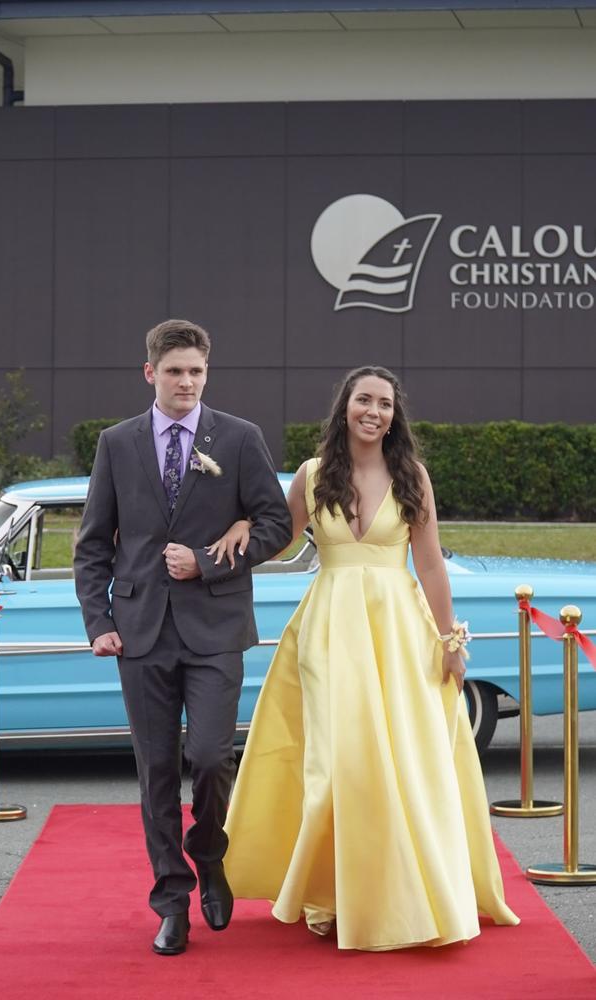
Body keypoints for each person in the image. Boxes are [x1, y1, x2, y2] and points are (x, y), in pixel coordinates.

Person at [221, 365, 520, 951]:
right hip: (327, 630)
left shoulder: (413, 476)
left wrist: (450, 643)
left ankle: (396, 894)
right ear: (345, 407)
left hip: (397, 634)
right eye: (364, 400)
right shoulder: (312, 474)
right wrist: (241, 522)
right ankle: (332, 892)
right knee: (335, 766)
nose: (373, 411)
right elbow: (280, 539)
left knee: (399, 764)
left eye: (384, 403)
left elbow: (430, 564)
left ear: (394, 414)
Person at [73, 319, 292, 956]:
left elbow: (277, 523)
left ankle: (209, 854)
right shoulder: (117, 444)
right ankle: (171, 900)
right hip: (140, 632)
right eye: (175, 371)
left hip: (217, 627)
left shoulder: (240, 439)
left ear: (206, 372)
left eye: (196, 371)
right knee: (157, 771)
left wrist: (209, 560)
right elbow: (91, 547)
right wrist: (100, 623)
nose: (187, 382)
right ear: (151, 374)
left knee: (212, 756)